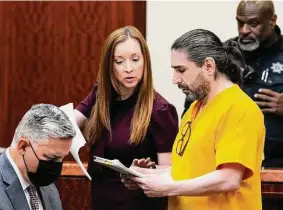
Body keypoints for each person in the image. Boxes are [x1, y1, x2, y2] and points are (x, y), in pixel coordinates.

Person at [122, 29, 265, 210]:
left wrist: (168, 187)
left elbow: (229, 179)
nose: (175, 79)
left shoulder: (239, 108)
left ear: (208, 66)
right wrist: (146, 176)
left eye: (181, 70)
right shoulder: (194, 109)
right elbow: (188, 170)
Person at [74, 25, 179, 210]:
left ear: (145, 61)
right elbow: (69, 123)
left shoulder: (160, 110)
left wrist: (146, 173)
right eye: (119, 61)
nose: (129, 68)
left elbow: (168, 177)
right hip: (101, 201)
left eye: (135, 59)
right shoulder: (100, 95)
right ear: (109, 65)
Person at [224, 0, 283, 168]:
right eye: (240, 23)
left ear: (272, 21)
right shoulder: (224, 55)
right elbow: (195, 106)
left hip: (278, 164)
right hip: (232, 161)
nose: (244, 30)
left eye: (253, 23)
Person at [0, 104, 76, 210]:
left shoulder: (48, 186)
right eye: (51, 158)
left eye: (62, 158)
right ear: (23, 146)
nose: (56, 168)